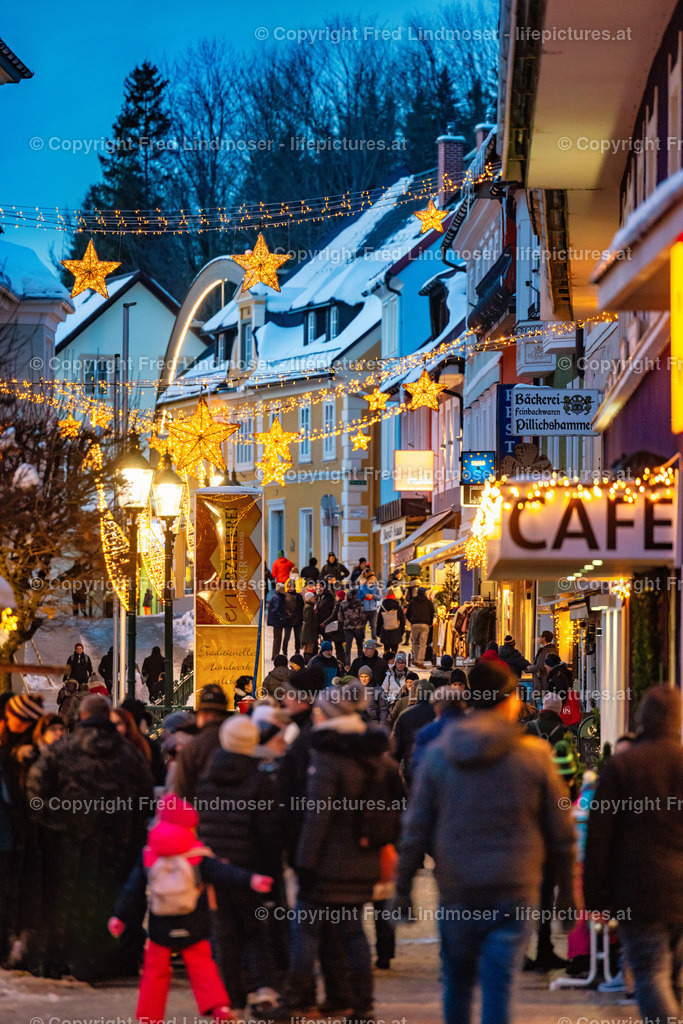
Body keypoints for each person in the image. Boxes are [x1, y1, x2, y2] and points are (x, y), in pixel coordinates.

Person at [394, 661, 576, 1024]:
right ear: (509, 702)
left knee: (457, 984)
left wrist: (402, 890)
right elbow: (562, 833)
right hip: (515, 885)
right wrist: (568, 896)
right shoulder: (534, 756)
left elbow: (415, 827)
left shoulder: (439, 753)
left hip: (458, 885)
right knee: (498, 985)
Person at [279, 683, 403, 1022]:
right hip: (362, 861)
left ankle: (292, 1001)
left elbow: (317, 815)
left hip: (325, 863)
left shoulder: (326, 756)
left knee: (304, 930)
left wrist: (304, 861)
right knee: (353, 932)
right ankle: (362, 1006)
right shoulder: (377, 756)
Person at [109, 795, 272, 1024]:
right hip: (193, 922)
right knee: (203, 967)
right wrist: (251, 879)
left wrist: (120, 916)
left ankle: (148, 1017)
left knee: (154, 973)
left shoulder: (149, 856)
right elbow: (224, 873)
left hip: (159, 924)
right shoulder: (197, 856)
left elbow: (132, 890)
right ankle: (219, 1009)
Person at [27, 694, 154, 983]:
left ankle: (69, 960)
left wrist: (55, 822)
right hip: (118, 842)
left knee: (71, 900)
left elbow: (36, 791)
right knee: (113, 900)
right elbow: (146, 798)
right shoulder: (129, 754)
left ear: (82, 716)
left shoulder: (61, 750)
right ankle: (114, 959)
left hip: (71, 841)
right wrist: (131, 829)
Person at [583, 686, 683, 1024]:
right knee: (675, 977)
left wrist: (595, 894)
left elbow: (599, 836)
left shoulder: (622, 766)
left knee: (650, 972)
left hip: (639, 890)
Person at [196, 717, 282, 1015]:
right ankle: (262, 988)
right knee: (256, 930)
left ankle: (230, 996)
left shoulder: (207, 779)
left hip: (215, 870)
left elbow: (201, 825)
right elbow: (268, 832)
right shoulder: (259, 781)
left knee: (224, 934)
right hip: (250, 869)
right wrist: (271, 874)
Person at [173, 684, 230, 802]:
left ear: (202, 716)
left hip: (202, 814)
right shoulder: (240, 740)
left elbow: (182, 792)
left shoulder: (192, 747)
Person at [412, 682, 470, 776]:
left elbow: (420, 769)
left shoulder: (426, 733)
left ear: (437, 707)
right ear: (463, 704)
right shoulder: (478, 728)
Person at [390, 681, 435, 788]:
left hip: (410, 765)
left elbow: (396, 746)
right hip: (434, 767)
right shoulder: (437, 713)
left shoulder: (406, 715)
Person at [405, 587, 434, 668]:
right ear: (425, 593)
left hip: (414, 624)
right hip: (425, 624)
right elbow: (432, 613)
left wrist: (412, 621)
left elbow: (407, 613)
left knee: (414, 642)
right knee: (423, 644)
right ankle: (420, 661)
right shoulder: (428, 602)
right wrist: (429, 622)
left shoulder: (412, 601)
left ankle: (416, 660)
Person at [339, 588, 367, 665]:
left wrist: (344, 623)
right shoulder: (360, 603)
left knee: (348, 646)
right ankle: (360, 661)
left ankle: (347, 663)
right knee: (359, 645)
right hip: (358, 627)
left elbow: (340, 616)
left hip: (347, 627)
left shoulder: (343, 603)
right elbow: (363, 615)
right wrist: (363, 624)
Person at [377, 589, 405, 658]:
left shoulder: (382, 608)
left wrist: (378, 632)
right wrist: (402, 631)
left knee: (386, 650)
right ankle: (393, 663)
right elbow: (402, 620)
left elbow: (379, 621)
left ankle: (386, 664)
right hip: (396, 632)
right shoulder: (397, 607)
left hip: (385, 632)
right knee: (394, 650)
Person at [320, 588, 346, 664]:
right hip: (345, 628)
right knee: (342, 648)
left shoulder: (338, 604)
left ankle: (339, 662)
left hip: (337, 629)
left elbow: (333, 616)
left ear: (338, 597)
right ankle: (343, 662)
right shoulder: (346, 604)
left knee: (338, 647)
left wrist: (324, 623)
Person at [532, 630, 558, 696]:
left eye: (540, 636)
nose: (539, 638)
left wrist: (529, 668)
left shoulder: (544, 651)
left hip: (542, 683)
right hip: (551, 682)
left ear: (543, 638)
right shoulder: (554, 650)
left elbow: (539, 666)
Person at [283, 580, 304, 657]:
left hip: (298, 620)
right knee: (286, 637)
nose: (290, 588)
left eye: (291, 586)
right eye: (288, 586)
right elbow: (283, 607)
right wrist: (286, 614)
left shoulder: (299, 596)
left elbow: (302, 607)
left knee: (297, 638)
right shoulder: (285, 595)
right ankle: (284, 652)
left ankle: (297, 652)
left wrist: (302, 618)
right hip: (288, 620)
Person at [358, 573, 381, 641]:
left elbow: (379, 598)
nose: (372, 580)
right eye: (371, 578)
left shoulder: (376, 587)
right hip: (364, 609)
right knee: (362, 626)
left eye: (373, 579)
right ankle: (361, 640)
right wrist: (365, 596)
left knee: (374, 626)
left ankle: (374, 640)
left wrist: (373, 596)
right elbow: (358, 597)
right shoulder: (361, 586)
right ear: (367, 579)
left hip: (373, 610)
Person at [301, 590, 319, 664]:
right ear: (309, 598)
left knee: (308, 648)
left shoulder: (307, 606)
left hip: (308, 631)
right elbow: (308, 620)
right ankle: (308, 662)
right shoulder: (309, 608)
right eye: (313, 597)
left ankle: (307, 661)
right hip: (309, 632)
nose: (314, 598)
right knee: (309, 648)